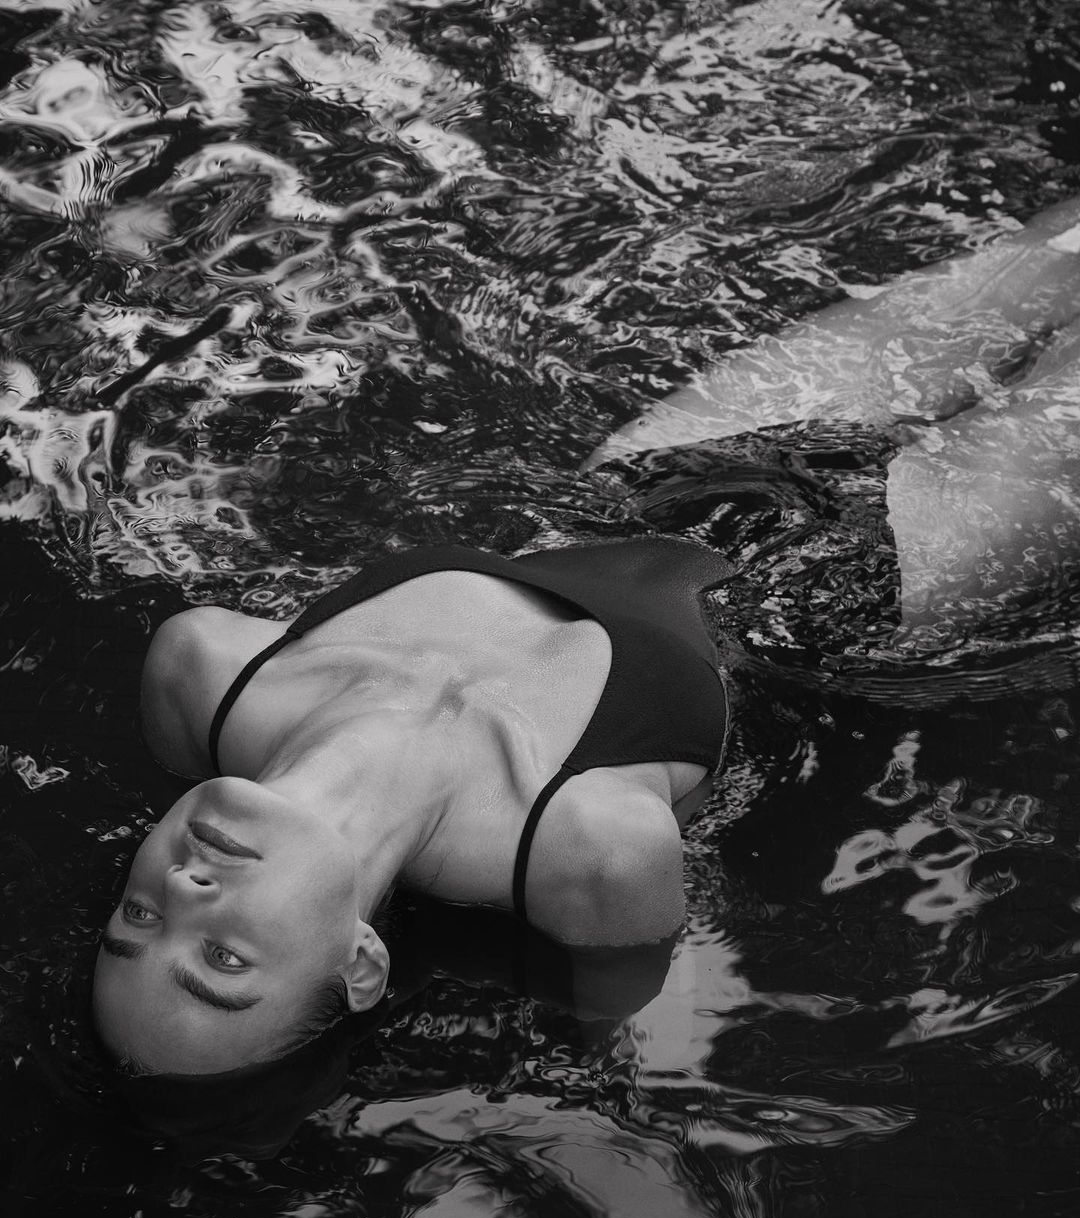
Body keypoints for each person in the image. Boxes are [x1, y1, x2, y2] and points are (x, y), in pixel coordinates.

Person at [93, 192, 1080, 1077]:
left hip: (664, 477)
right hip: (840, 594)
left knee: (1043, 257)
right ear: (360, 962)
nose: (183, 886)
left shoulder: (203, 671)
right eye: (223, 956)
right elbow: (630, 1025)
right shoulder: (585, 853)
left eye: (136, 918)